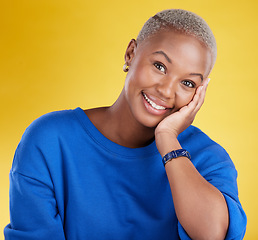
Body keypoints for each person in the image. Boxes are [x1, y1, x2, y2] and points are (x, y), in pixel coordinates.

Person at [4, 9, 247, 240]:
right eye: (159, 66)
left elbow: (213, 234)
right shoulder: (49, 141)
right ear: (131, 52)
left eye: (187, 83)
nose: (165, 90)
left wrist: (167, 139)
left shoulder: (208, 158)